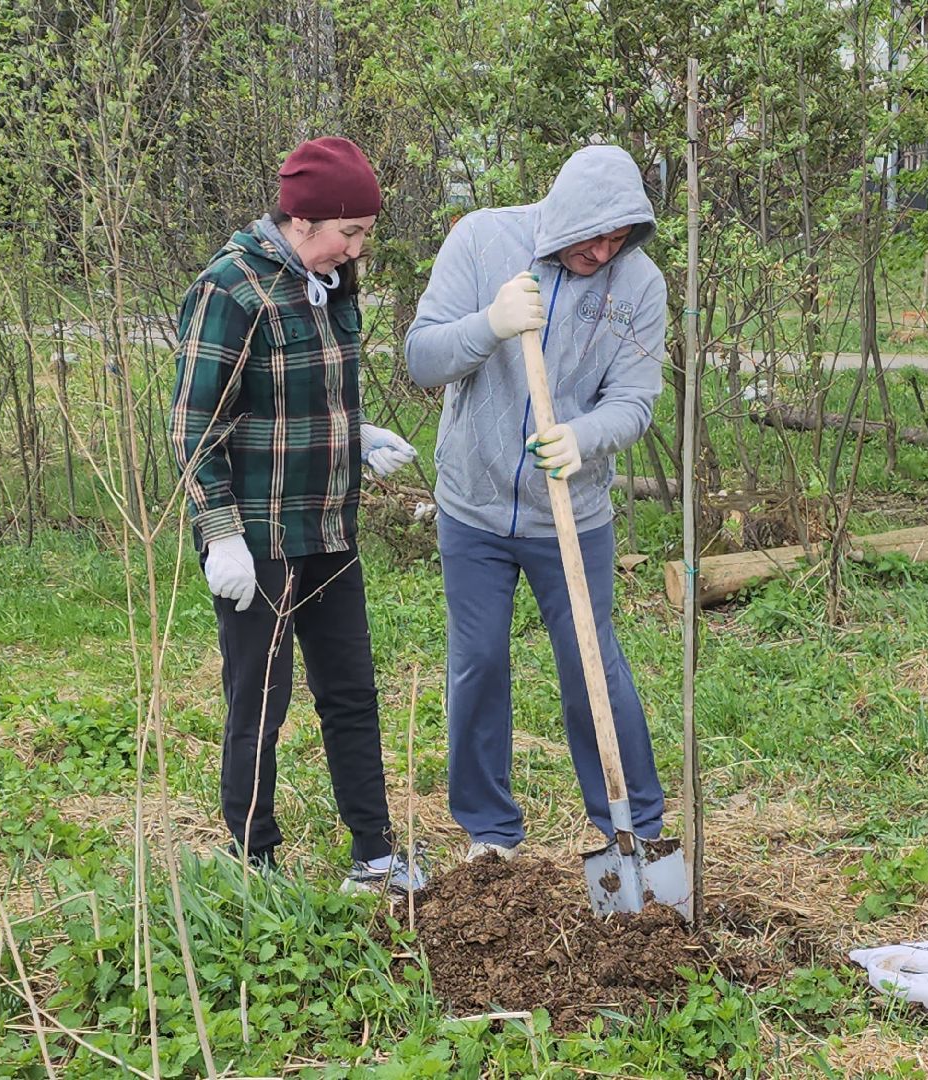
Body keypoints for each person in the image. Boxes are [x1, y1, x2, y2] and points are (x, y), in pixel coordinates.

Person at [168, 136, 424, 893]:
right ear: (305, 219)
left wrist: (356, 433)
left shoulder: (329, 285)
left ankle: (375, 857)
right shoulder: (232, 291)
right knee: (260, 702)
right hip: (261, 541)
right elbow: (194, 428)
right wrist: (220, 535)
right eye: (351, 233)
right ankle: (256, 863)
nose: (357, 251)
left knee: (351, 692)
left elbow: (300, 400)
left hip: (329, 530)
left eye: (364, 237)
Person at [404, 144, 668, 860]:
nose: (603, 249)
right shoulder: (484, 239)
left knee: (592, 663)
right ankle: (490, 834)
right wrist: (489, 323)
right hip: (474, 506)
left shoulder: (638, 285)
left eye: (619, 237)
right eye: (594, 234)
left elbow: (637, 401)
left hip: (573, 514)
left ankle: (634, 825)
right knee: (478, 662)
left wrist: (583, 436)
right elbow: (422, 357)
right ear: (564, 217)